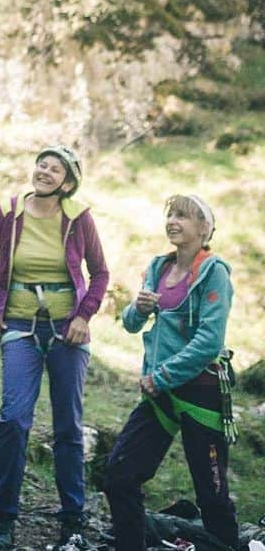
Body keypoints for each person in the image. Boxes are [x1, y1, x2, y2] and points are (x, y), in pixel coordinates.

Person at [0, 147, 109, 551]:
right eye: (41, 164)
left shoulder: (79, 218)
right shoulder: (8, 213)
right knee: (13, 420)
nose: (44, 171)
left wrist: (84, 317)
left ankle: (71, 522)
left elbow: (100, 274)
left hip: (67, 332)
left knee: (68, 427)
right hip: (19, 327)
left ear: (67, 181)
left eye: (54, 168)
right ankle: (4, 518)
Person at [103, 195, 237, 551]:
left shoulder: (214, 272)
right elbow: (132, 324)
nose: (173, 221)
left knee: (212, 496)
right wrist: (137, 306)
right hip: (161, 395)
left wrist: (160, 376)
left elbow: (209, 342)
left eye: (183, 216)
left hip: (200, 395)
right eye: (171, 215)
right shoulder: (158, 267)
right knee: (120, 476)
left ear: (204, 229)